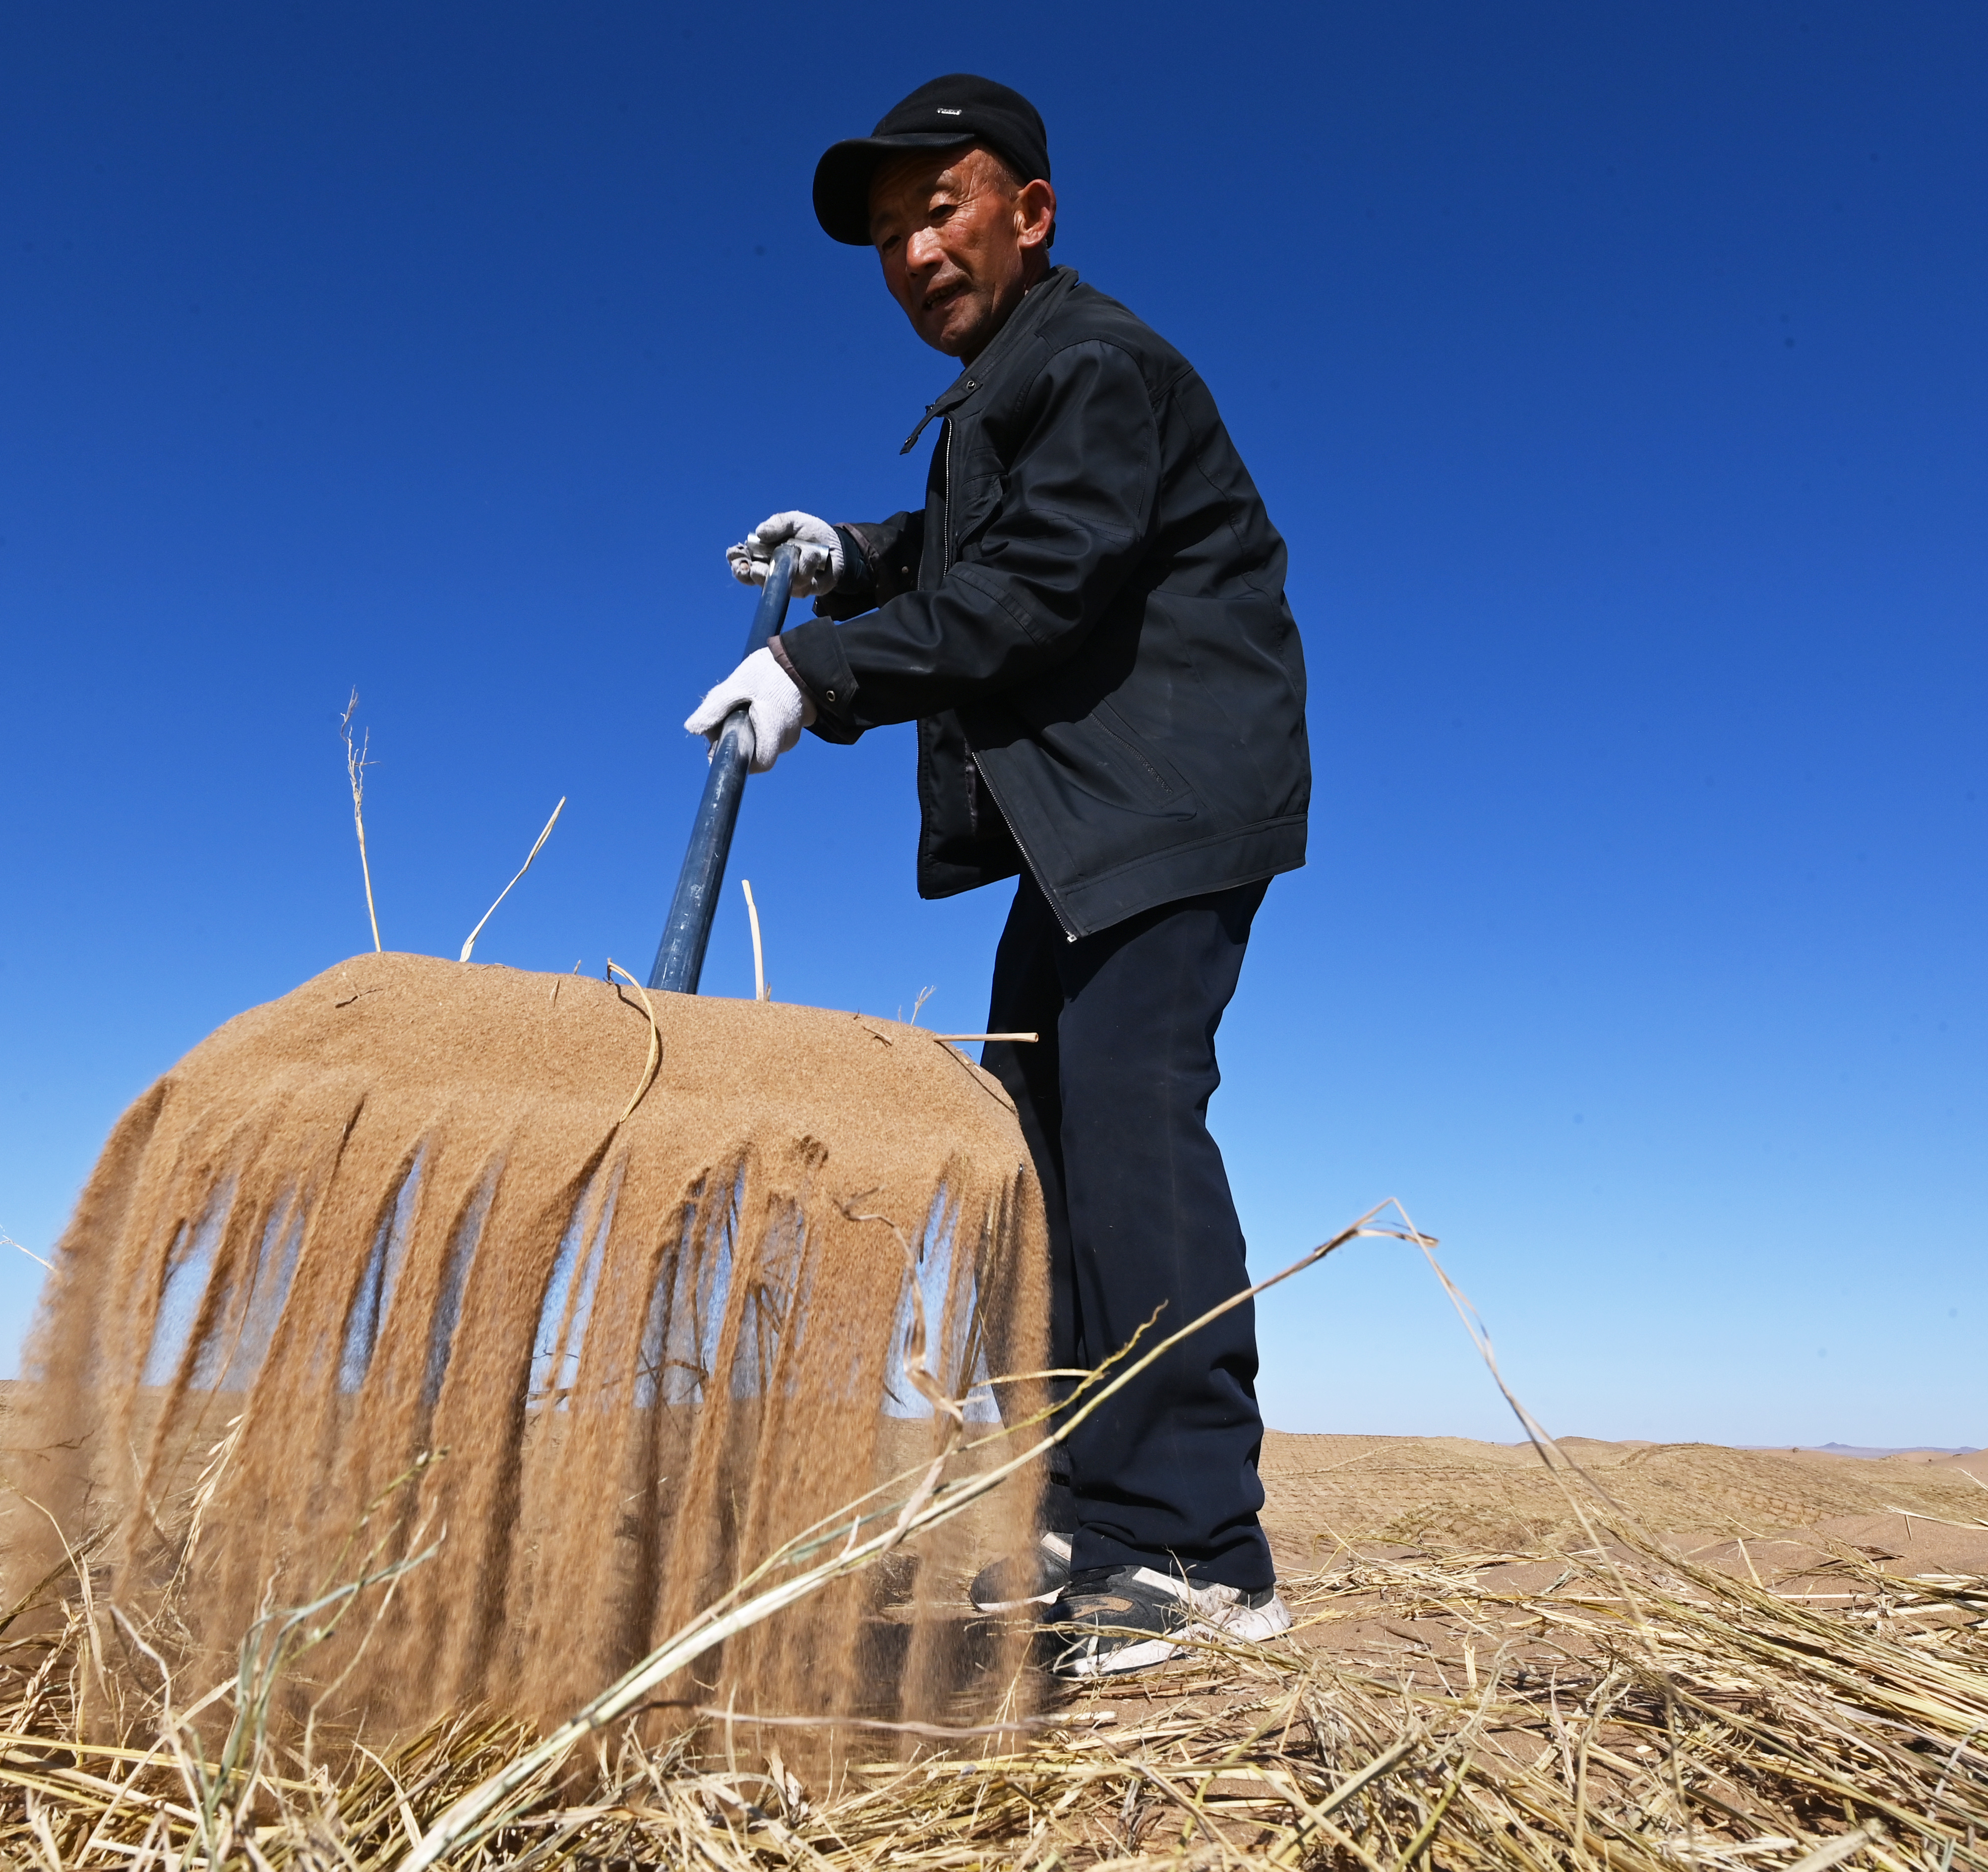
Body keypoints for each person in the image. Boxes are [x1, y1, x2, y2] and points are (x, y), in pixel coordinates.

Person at [681, 73, 1311, 1680]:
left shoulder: (1094, 364)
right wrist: (853, 546)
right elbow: (978, 537)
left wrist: (819, 672)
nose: (911, 253)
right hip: (1086, 826)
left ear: (1029, 211)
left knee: (1124, 1124)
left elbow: (1039, 581)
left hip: (1160, 807)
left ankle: (1190, 1552)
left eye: (938, 208)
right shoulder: (1015, 391)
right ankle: (1080, 1514)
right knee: (1032, 1140)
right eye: (887, 235)